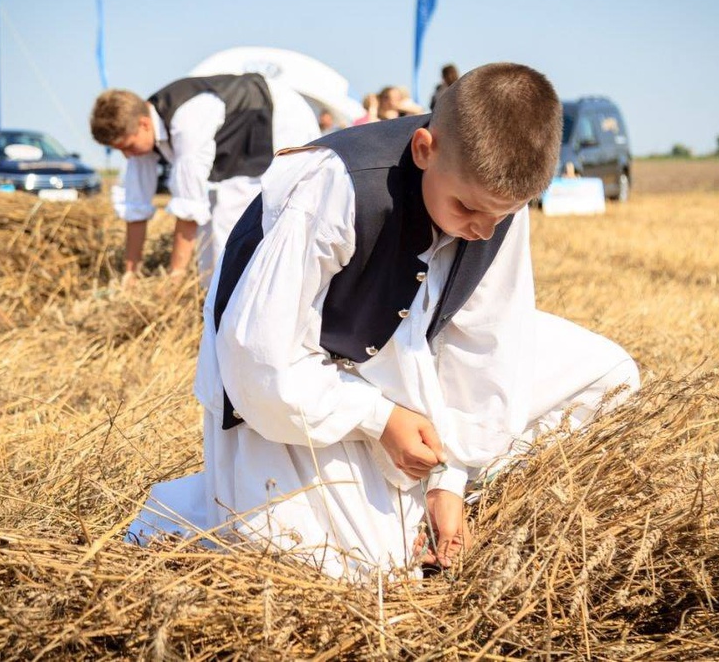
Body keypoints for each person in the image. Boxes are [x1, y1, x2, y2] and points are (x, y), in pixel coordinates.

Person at [125, 63, 640, 580]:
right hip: (298, 381)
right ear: (424, 150)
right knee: (358, 573)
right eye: (466, 208)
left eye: (500, 216)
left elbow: (486, 342)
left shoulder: (496, 197)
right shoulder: (334, 186)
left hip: (408, 357)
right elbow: (261, 360)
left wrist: (450, 478)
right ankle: (194, 508)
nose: (483, 231)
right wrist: (379, 418)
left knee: (608, 375)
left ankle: (419, 498)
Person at [90, 74, 319, 286]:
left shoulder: (187, 120)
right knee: (214, 227)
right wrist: (131, 273)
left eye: (128, 146)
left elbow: (189, 207)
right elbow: (136, 206)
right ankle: (210, 295)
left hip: (277, 119)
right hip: (234, 146)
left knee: (228, 220)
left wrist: (175, 279)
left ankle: (239, 295)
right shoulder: (141, 129)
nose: (127, 155)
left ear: (144, 124)